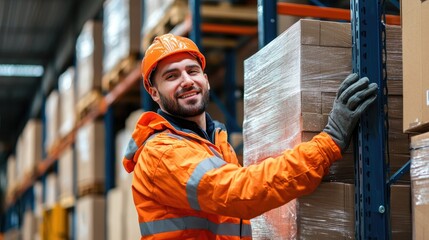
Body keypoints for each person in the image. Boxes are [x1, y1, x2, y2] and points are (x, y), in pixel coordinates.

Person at [122, 33, 378, 239]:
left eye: (192, 71)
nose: (187, 81)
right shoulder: (162, 152)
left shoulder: (214, 140)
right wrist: (328, 142)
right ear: (154, 92)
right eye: (172, 76)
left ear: (206, 80)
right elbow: (239, 192)